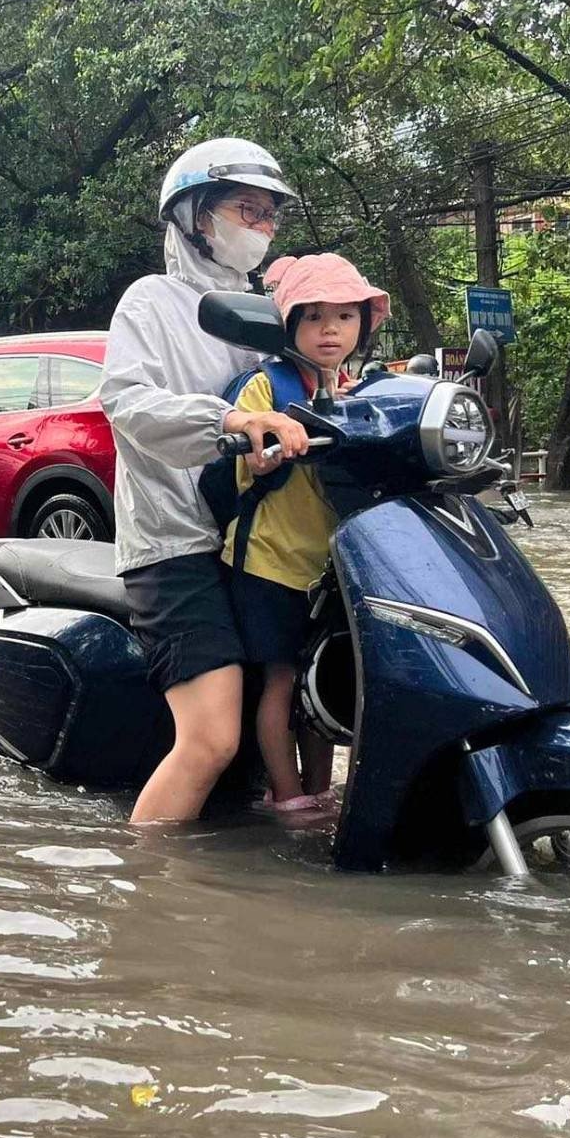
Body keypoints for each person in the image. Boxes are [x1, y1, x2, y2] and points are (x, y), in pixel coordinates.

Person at [99, 137, 312, 825]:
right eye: (246, 210)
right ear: (195, 216)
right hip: (176, 543)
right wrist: (227, 421)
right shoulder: (151, 303)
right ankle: (149, 897)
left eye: (269, 216)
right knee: (212, 738)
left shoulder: (267, 311)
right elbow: (127, 403)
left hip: (255, 541)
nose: (260, 228)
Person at [224, 254, 390, 814]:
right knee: (282, 677)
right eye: (314, 316)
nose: (330, 330)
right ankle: (288, 796)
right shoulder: (264, 388)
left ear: (362, 325)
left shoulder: (363, 391)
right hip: (268, 562)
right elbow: (251, 459)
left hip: (332, 567)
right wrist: (269, 446)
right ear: (289, 324)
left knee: (320, 678)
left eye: (344, 317)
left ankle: (320, 789)